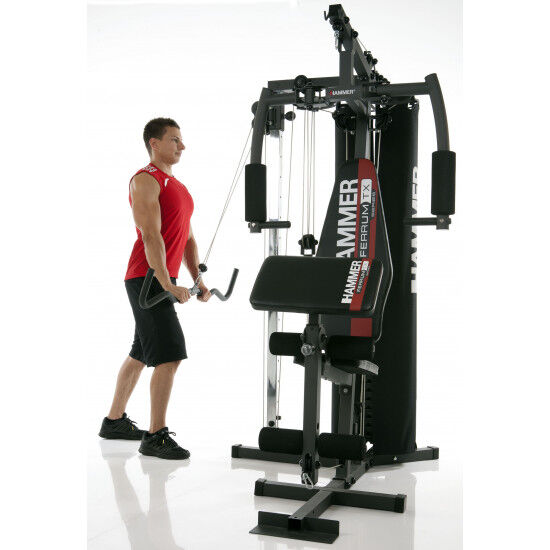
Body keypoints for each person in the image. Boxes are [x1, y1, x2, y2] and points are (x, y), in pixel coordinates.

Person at [99, 117, 210, 459]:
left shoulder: (180, 188)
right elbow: (150, 234)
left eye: (181, 140)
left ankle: (114, 422)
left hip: (162, 278)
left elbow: (188, 240)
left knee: (142, 351)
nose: (182, 145)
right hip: (146, 277)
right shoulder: (145, 179)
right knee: (169, 354)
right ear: (155, 143)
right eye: (174, 139)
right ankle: (155, 435)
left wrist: (198, 281)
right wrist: (164, 281)